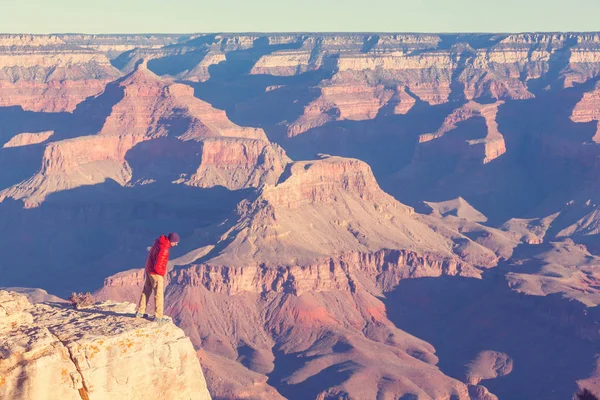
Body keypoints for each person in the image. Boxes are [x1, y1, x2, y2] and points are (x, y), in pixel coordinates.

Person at [136, 232, 179, 322]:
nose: (176, 244)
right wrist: (162, 273)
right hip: (155, 273)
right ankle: (158, 317)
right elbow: (158, 266)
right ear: (171, 241)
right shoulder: (164, 249)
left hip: (149, 269)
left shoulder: (159, 242)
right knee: (158, 295)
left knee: (146, 291)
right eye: (175, 242)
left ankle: (140, 312)